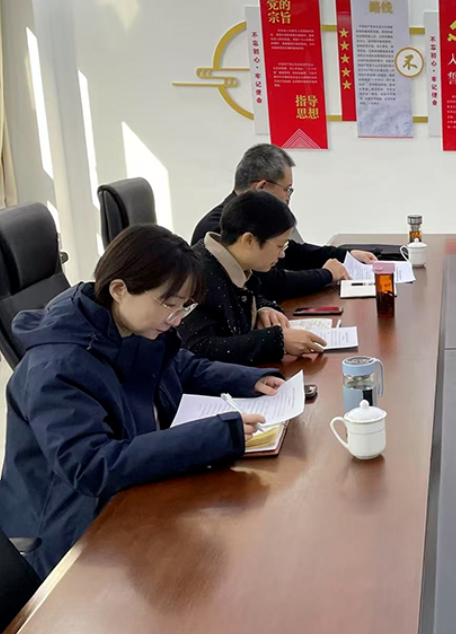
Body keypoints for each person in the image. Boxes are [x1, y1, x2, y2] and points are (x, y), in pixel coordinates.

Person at [0, 226, 285, 577]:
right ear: (120, 289)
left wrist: (249, 379)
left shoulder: (127, 325)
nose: (176, 318)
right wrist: (214, 436)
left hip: (131, 493)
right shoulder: (56, 368)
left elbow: (180, 366)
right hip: (74, 533)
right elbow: (91, 466)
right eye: (169, 303)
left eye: (184, 306)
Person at [191, 144, 376, 301]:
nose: (288, 197)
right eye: (287, 189)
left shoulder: (256, 216)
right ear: (261, 187)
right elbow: (269, 285)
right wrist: (326, 275)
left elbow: (291, 251)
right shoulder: (221, 228)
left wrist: (346, 256)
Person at [180, 190, 328, 365]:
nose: (282, 255)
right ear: (249, 240)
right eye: (279, 246)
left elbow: (245, 296)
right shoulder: (198, 276)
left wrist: (261, 308)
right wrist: (277, 342)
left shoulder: (233, 261)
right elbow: (197, 349)